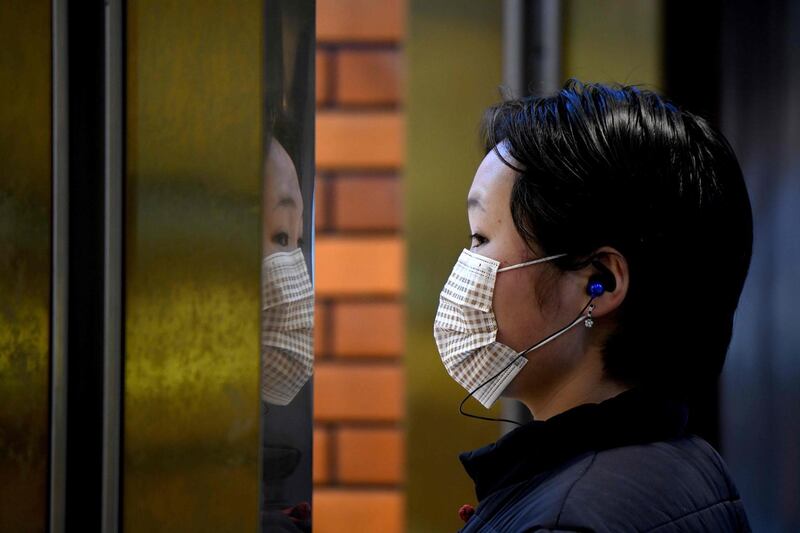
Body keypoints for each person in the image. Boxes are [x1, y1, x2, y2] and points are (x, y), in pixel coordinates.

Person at [433, 79, 753, 532]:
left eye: (481, 238)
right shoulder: (688, 462)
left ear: (598, 281)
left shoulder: (567, 520)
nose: (464, 267)